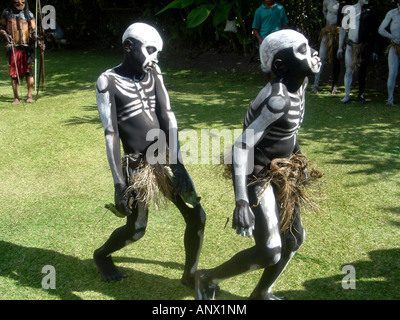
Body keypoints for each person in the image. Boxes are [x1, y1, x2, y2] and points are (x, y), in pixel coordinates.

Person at [195, 30, 322, 300]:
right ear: (281, 65)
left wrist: (299, 159)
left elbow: (288, 133)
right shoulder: (277, 99)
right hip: (258, 175)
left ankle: (262, 292)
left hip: (282, 174)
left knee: (294, 239)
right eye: (302, 50)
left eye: (309, 46)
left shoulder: (298, 87)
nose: (312, 53)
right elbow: (240, 147)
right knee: (269, 250)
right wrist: (241, 201)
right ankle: (207, 278)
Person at [94, 23, 206, 286]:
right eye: (151, 50)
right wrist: (119, 184)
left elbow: (167, 115)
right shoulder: (107, 81)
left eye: (158, 52)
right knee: (136, 230)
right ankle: (102, 255)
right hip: (137, 166)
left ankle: (190, 275)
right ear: (129, 47)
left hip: (164, 158)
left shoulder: (154, 74)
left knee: (197, 215)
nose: (155, 57)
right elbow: (110, 132)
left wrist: (176, 163)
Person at [337, 0, 379, 104]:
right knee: (349, 70)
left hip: (364, 45)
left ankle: (361, 94)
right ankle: (347, 95)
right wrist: (339, 47)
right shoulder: (350, 9)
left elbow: (374, 32)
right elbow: (343, 28)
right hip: (351, 45)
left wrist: (374, 50)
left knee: (362, 70)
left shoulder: (370, 12)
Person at [0, 0, 42, 104]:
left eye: (22, 2)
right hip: (13, 47)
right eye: (17, 3)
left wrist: (39, 41)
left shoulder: (29, 14)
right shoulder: (6, 13)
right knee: (14, 74)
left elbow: (34, 31)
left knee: (28, 72)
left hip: (26, 47)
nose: (20, 4)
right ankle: (16, 97)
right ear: (12, 3)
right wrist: (6, 35)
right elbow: (1, 27)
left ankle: (29, 96)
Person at [252, 0, 288, 83]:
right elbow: (255, 28)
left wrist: (281, 36)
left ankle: (280, 81)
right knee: (265, 62)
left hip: (278, 41)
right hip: (265, 41)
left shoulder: (280, 8)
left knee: (280, 60)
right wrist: (261, 41)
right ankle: (268, 83)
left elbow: (284, 24)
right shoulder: (259, 11)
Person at [312, 0, 341, 94]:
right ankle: (315, 85)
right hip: (327, 31)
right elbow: (324, 11)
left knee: (336, 60)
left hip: (338, 33)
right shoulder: (327, 1)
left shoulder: (343, 4)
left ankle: (334, 86)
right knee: (321, 57)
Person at [378, 1, 400, 106]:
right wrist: (392, 37)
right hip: (395, 46)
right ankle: (390, 98)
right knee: (392, 73)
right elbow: (381, 29)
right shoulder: (392, 13)